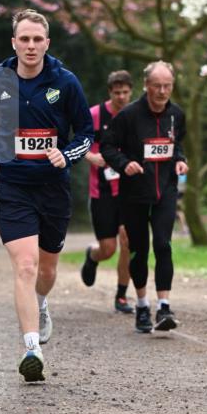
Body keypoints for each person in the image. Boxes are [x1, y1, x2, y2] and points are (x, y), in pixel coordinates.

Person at [0, 9, 93, 381]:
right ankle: (31, 349)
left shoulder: (65, 82)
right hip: (13, 185)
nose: (31, 46)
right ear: (14, 42)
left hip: (53, 188)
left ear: (47, 43)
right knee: (26, 266)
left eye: (37, 39)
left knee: (46, 270)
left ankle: (43, 302)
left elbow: (86, 133)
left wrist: (64, 154)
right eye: (24, 39)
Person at [101, 60, 188, 333]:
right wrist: (124, 163)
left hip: (166, 191)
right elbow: (107, 147)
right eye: (157, 86)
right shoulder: (128, 116)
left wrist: (181, 160)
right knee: (139, 251)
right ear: (146, 86)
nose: (162, 91)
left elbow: (177, 145)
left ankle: (164, 307)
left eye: (167, 86)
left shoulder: (177, 114)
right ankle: (141, 306)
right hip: (135, 194)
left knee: (163, 245)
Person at [80, 70, 134, 313]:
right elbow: (79, 143)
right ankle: (92, 255)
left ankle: (121, 296)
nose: (121, 97)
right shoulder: (94, 114)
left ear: (131, 92)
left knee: (128, 240)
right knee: (108, 248)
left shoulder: (135, 116)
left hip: (128, 189)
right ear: (110, 92)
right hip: (101, 190)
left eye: (125, 92)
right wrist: (92, 156)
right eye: (117, 92)